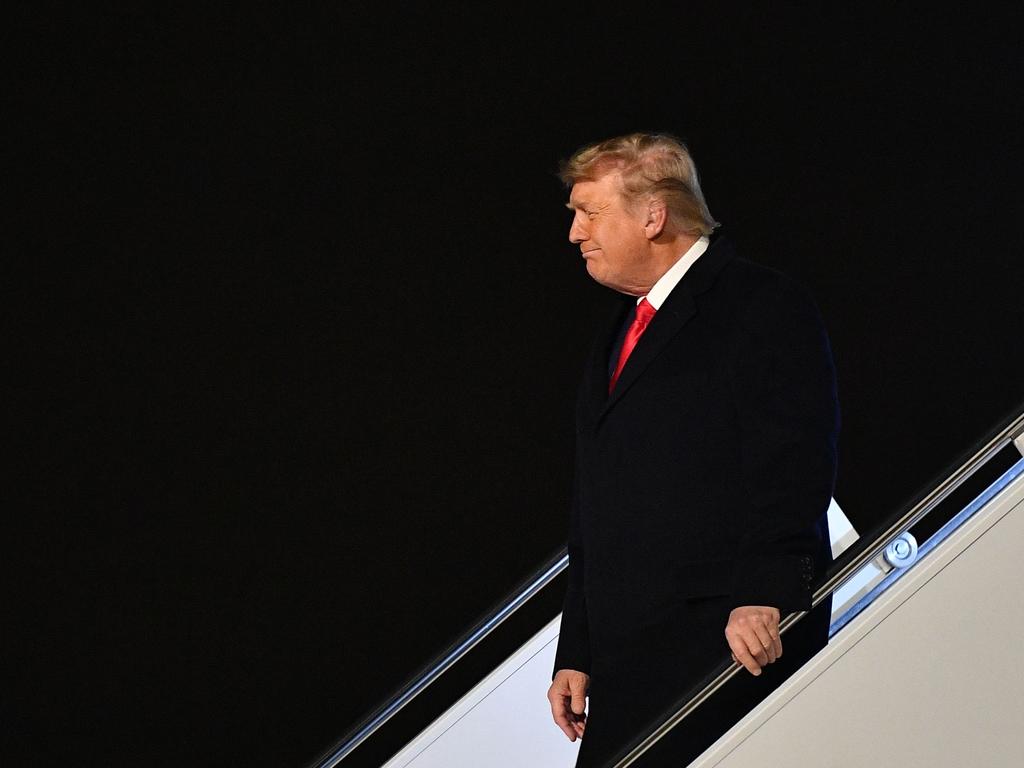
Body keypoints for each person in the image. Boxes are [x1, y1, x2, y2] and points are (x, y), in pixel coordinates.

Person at [546, 133, 839, 767]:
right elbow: (594, 501)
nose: (574, 233)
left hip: (729, 636)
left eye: (589, 212)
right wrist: (578, 646)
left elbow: (792, 458)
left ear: (653, 215)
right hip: (628, 659)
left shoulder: (758, 303)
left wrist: (768, 588)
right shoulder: (614, 337)